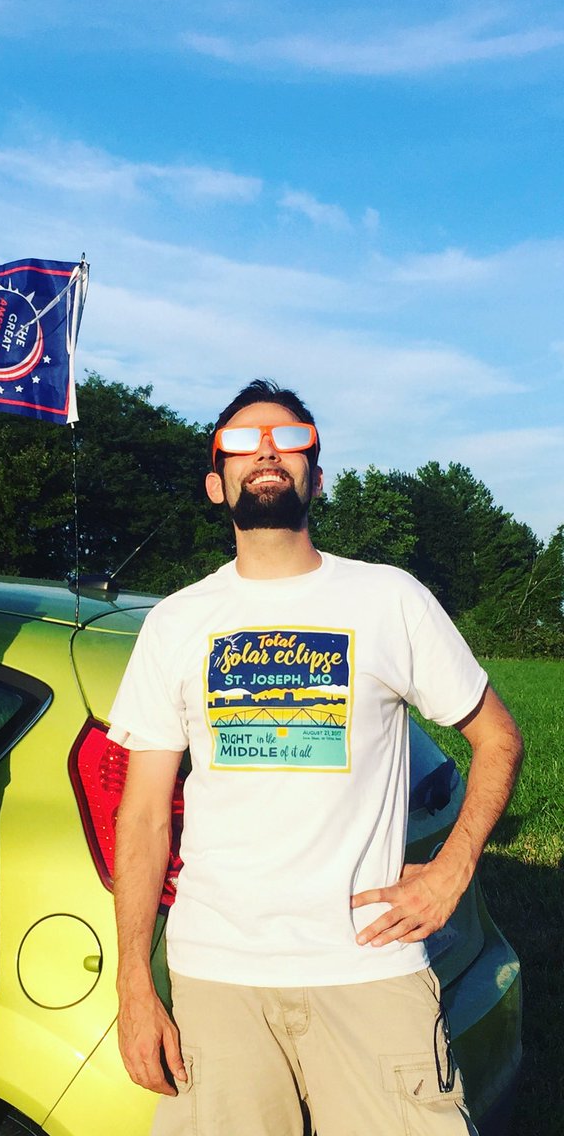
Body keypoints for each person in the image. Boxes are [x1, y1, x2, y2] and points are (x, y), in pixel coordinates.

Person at [109, 380, 523, 1136]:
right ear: (215, 483)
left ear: (317, 476)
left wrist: (452, 870)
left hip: (370, 974)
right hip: (216, 980)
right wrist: (135, 983)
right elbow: (140, 816)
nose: (266, 449)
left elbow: (498, 737)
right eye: (242, 441)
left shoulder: (388, 599)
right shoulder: (176, 623)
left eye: (290, 438)